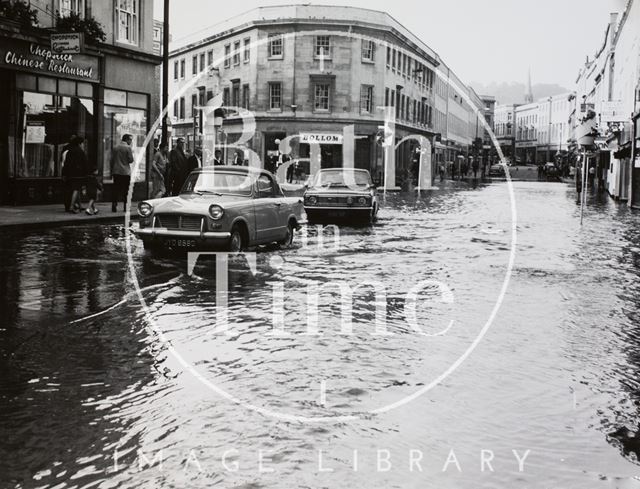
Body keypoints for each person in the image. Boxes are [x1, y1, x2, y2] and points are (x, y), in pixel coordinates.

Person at [110, 134, 134, 212]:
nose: (131, 141)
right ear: (126, 139)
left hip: (116, 171)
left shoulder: (115, 147)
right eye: (130, 139)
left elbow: (111, 160)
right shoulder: (128, 148)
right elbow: (131, 160)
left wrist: (112, 169)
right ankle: (125, 206)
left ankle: (114, 204)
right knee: (126, 190)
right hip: (125, 172)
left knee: (115, 189)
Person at [65, 136, 89, 213]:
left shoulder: (70, 151)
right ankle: (71, 206)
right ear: (79, 143)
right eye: (82, 143)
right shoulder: (81, 152)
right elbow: (85, 163)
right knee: (76, 189)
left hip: (70, 173)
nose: (83, 145)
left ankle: (80, 205)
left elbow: (66, 163)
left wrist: (64, 173)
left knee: (76, 189)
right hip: (79, 174)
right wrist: (86, 173)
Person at [60, 135, 76, 212]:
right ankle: (70, 205)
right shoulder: (71, 151)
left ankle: (68, 204)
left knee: (67, 189)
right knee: (71, 189)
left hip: (65, 172)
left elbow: (62, 162)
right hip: (70, 173)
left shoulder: (65, 149)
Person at [85, 146, 102, 215]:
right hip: (93, 191)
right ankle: (88, 208)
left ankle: (95, 210)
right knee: (92, 200)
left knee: (91, 200)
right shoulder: (94, 178)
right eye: (96, 170)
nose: (97, 171)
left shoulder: (88, 177)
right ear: (94, 171)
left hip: (88, 190)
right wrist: (100, 188)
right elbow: (97, 184)